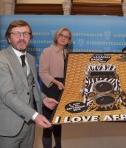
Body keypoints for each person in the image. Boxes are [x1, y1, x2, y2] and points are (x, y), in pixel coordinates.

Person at [0, 20, 58, 148]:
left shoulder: (31, 58)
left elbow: (30, 85)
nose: (22, 38)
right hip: (8, 127)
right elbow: (8, 95)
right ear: (9, 38)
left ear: (30, 38)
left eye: (26, 34)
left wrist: (44, 99)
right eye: (17, 34)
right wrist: (35, 115)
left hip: (29, 126)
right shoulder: (2, 59)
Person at [39, 27, 72, 148]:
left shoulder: (69, 54)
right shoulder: (47, 51)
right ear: (57, 37)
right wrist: (56, 82)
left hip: (63, 89)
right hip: (51, 88)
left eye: (66, 37)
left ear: (69, 41)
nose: (63, 38)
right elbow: (42, 73)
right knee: (48, 123)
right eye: (61, 35)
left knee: (58, 120)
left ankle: (58, 146)